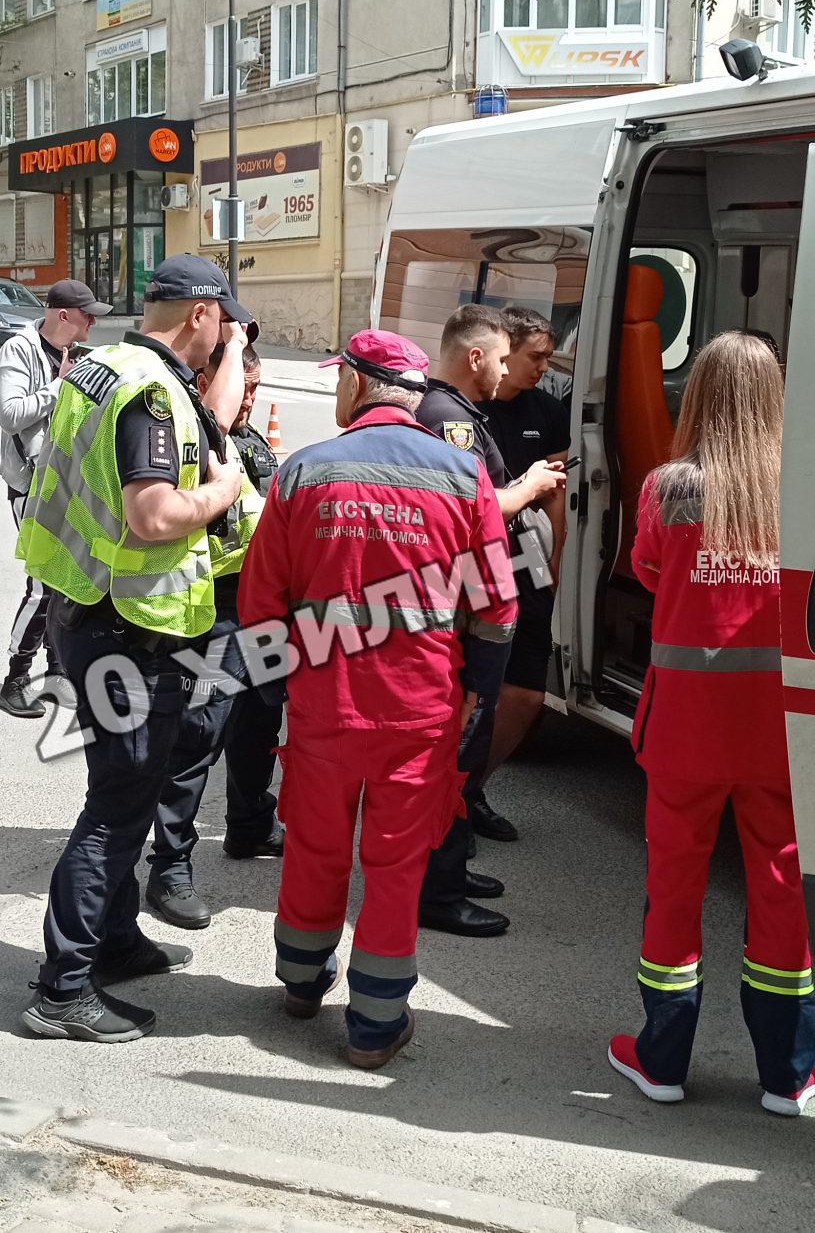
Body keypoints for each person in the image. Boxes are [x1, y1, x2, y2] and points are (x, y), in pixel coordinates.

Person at [237, 330, 517, 1068]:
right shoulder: (464, 475)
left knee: (314, 844)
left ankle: (302, 983)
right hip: (420, 710)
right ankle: (374, 1025)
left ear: (359, 384)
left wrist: (282, 685)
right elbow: (497, 608)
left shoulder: (301, 472)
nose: (337, 389)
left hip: (325, 704)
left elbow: (261, 604)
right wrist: (475, 699)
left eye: (339, 378)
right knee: (397, 868)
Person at [15, 254, 253, 1043]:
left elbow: (203, 423)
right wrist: (223, 492)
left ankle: (114, 941)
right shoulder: (149, 392)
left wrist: (234, 359)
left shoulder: (105, 367)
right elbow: (152, 516)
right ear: (201, 315)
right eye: (225, 324)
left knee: (123, 791)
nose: (225, 338)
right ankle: (62, 991)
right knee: (117, 810)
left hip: (85, 611)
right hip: (128, 629)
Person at [608, 330, 815, 1117]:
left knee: (674, 888)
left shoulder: (668, 489)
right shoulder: (805, 490)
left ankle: (661, 1059)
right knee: (782, 891)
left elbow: (648, 570)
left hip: (685, 728)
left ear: (698, 395)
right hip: (779, 732)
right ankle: (788, 1074)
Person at [413, 304, 566, 937]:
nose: (507, 371)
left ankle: (446, 871)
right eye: (503, 358)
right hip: (465, 601)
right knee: (459, 738)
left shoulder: (461, 413)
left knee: (467, 738)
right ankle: (436, 888)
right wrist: (528, 488)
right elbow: (475, 508)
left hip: (481, 598)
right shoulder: (448, 420)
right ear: (475, 356)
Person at [145, 340, 286, 930]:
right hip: (213, 609)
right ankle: (169, 867)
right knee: (198, 735)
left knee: (260, 723)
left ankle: (249, 824)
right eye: (242, 389)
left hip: (265, 609)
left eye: (256, 389)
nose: (249, 400)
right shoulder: (192, 439)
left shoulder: (249, 441)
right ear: (205, 385)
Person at [0, 278, 112, 717]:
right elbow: (10, 415)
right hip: (30, 484)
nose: (92, 323)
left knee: (63, 579)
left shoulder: (75, 354)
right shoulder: (19, 350)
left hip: (65, 482)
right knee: (43, 584)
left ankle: (57, 673)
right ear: (64, 315)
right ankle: (15, 679)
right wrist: (60, 387)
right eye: (87, 315)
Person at [476, 306, 572, 821]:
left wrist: (553, 562)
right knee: (471, 685)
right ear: (504, 351)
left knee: (527, 693)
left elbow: (556, 495)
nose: (544, 368)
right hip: (471, 561)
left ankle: (471, 789)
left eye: (548, 357)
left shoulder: (548, 411)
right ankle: (450, 798)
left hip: (529, 554)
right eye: (536, 357)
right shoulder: (467, 409)